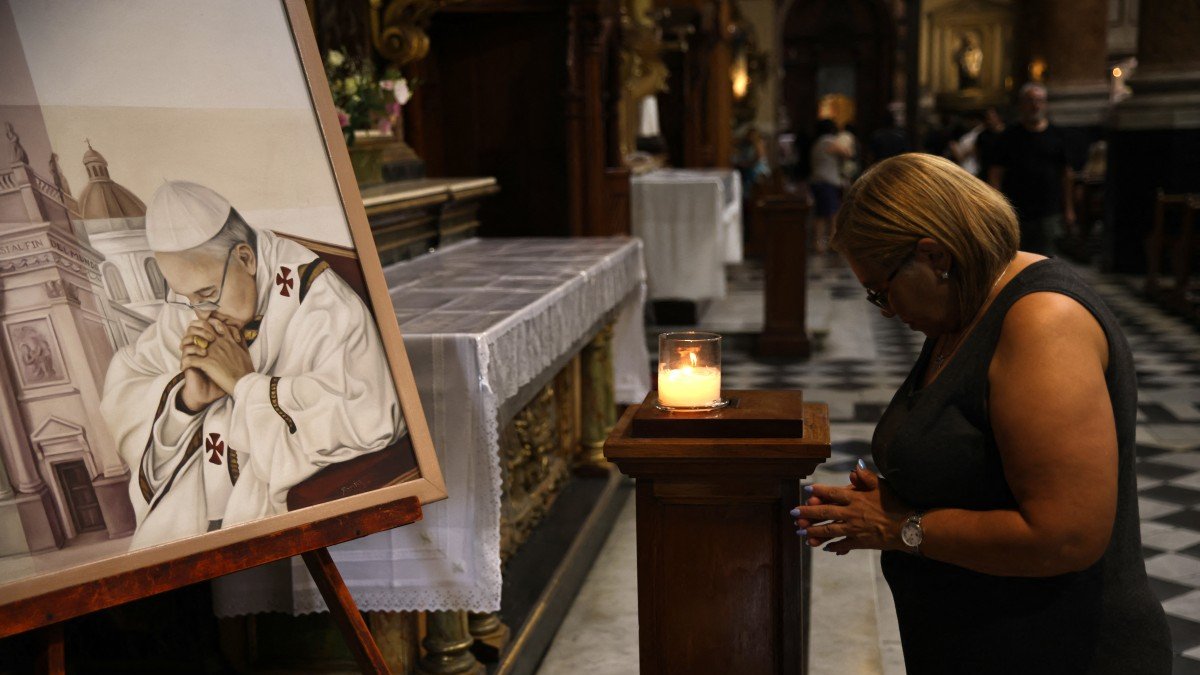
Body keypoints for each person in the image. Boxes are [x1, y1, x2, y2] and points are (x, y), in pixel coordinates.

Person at [791, 153, 1171, 674]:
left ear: (935, 255)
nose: (887, 310)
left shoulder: (1042, 321)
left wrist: (900, 525)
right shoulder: (965, 307)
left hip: (1062, 651)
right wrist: (895, 498)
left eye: (882, 290)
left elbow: (1065, 535)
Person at [101, 181, 405, 549]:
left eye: (207, 294)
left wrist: (245, 385)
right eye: (187, 299)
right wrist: (186, 403)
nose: (200, 314)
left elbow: (371, 417)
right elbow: (127, 385)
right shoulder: (189, 303)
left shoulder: (318, 300)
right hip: (205, 513)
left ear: (246, 259)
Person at [988, 83, 1075, 256]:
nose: (1035, 105)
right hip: (1016, 210)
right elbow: (995, 175)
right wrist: (996, 208)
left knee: (1046, 258)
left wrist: (1069, 208)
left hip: (1048, 210)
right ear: (1021, 105)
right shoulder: (1008, 137)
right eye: (1030, 101)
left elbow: (1066, 174)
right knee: (1017, 257)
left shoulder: (1057, 135)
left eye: (1040, 101)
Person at [808, 118, 853, 253]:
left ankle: (820, 244)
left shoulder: (817, 142)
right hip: (826, 182)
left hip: (819, 181)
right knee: (831, 215)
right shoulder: (826, 141)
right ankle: (830, 244)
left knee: (821, 214)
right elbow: (847, 152)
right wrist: (846, 138)